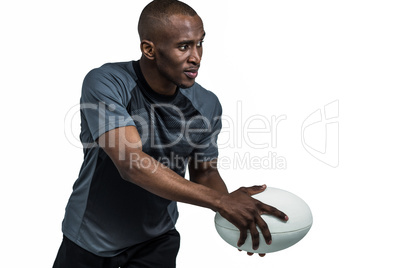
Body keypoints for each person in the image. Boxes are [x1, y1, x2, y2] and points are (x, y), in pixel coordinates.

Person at [53, 0, 288, 267]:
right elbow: (131, 164)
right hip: (92, 239)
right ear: (149, 49)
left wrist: (239, 219)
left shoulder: (207, 104)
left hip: (157, 240)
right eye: (184, 46)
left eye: (200, 43)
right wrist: (222, 201)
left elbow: (205, 173)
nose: (196, 56)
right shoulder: (107, 82)